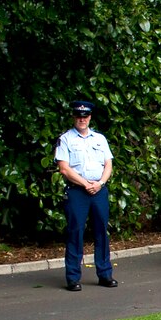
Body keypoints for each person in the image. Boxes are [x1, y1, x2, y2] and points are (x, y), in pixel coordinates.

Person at [55, 100, 117, 292]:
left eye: (85, 116)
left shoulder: (100, 139)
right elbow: (64, 168)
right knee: (75, 232)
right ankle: (73, 278)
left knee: (101, 232)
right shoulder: (65, 139)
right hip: (77, 192)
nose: (82, 119)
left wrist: (100, 183)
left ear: (90, 117)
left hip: (99, 190)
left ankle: (105, 274)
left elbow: (108, 164)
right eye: (78, 116)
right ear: (74, 117)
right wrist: (85, 184)